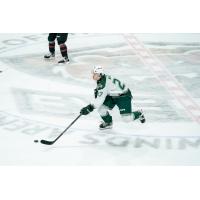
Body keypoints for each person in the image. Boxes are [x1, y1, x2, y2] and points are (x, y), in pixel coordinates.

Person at [80, 66, 146, 130]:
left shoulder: (103, 83)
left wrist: (89, 108)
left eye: (95, 74)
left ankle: (139, 113)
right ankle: (108, 123)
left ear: (99, 74)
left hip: (123, 96)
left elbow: (100, 99)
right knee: (101, 109)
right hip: (113, 95)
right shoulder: (102, 78)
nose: (93, 75)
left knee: (126, 119)